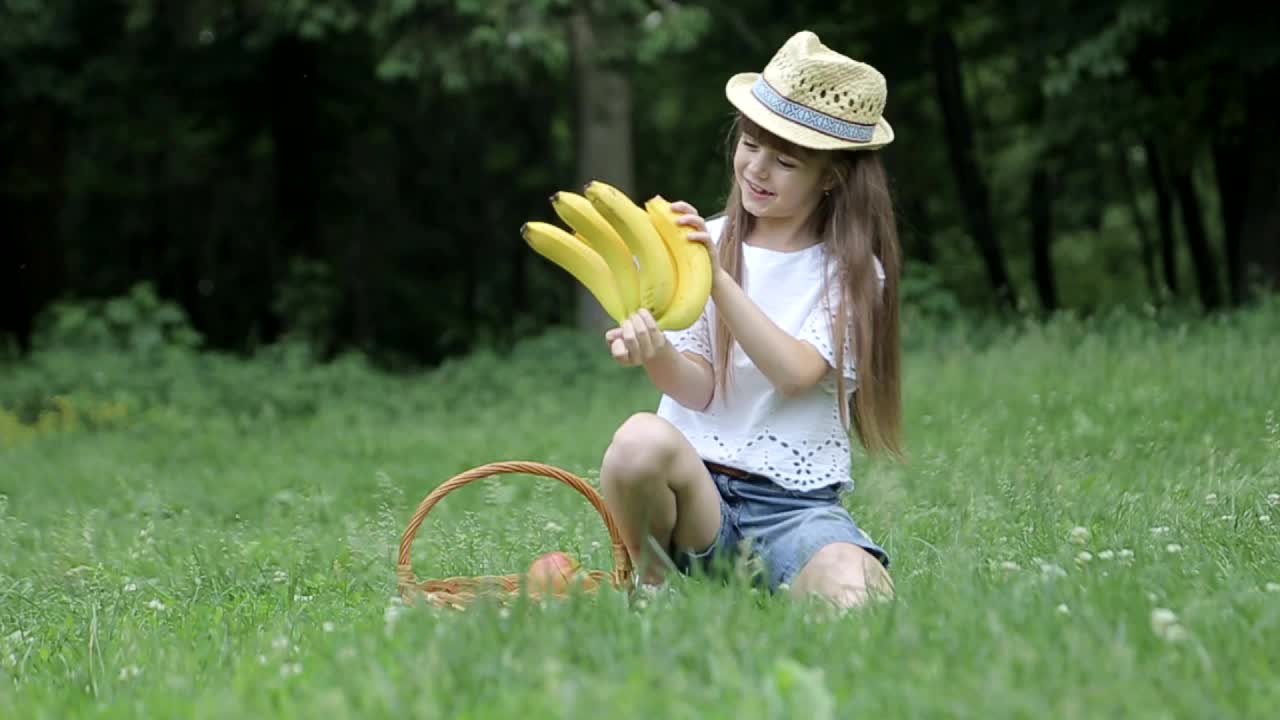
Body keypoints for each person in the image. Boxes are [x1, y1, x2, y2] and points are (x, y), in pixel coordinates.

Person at [599, 30, 903, 611]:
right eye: (749, 145)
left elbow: (795, 373)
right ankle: (654, 588)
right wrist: (654, 350)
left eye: (786, 161)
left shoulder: (852, 272)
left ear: (832, 176)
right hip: (696, 496)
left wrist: (718, 278)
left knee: (864, 600)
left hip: (793, 509)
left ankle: (792, 576)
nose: (757, 170)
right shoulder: (706, 241)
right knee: (638, 439)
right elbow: (699, 385)